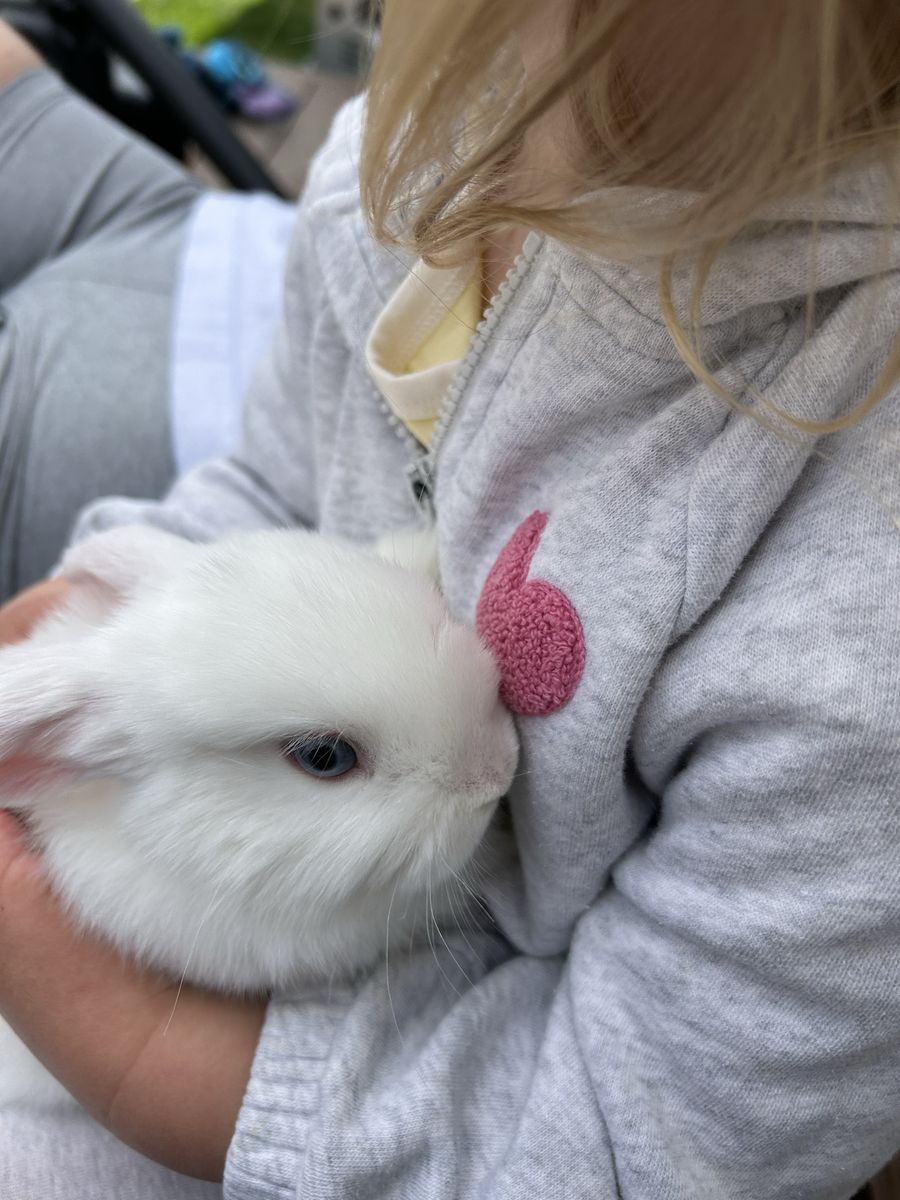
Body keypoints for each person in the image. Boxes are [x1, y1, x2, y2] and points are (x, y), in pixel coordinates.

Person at [1, 2, 900, 1197]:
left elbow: (649, 1136)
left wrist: (147, 1058)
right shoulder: (396, 163)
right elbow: (273, 485)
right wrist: (151, 589)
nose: (498, 763)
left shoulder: (854, 627)